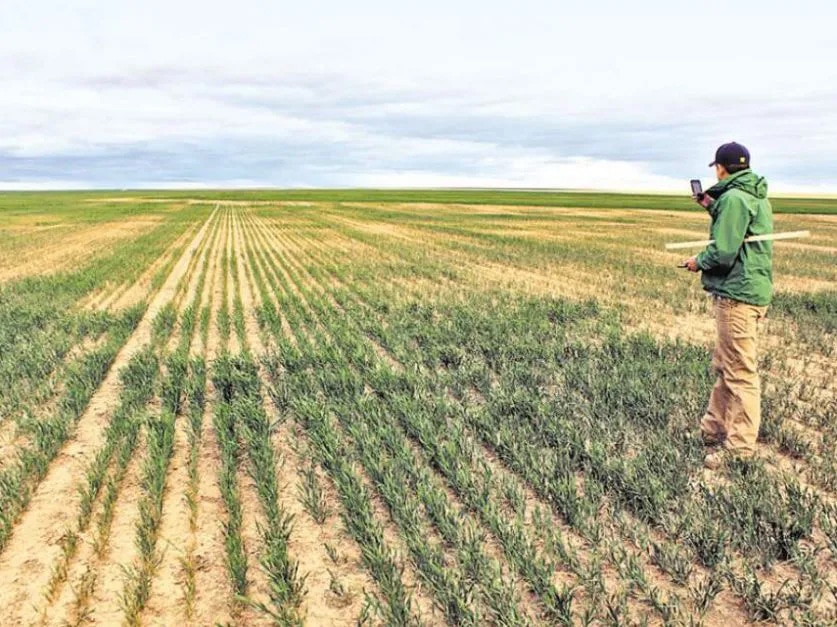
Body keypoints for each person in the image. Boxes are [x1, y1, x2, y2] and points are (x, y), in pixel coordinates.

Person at [682, 142, 774, 470]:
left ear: (720, 168)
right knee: (726, 364)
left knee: (739, 372)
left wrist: (697, 261)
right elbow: (734, 223)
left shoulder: (734, 198)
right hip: (747, 291)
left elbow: (723, 252)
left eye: (716, 168)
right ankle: (713, 427)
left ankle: (739, 448)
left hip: (737, 294)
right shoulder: (751, 195)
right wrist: (708, 204)